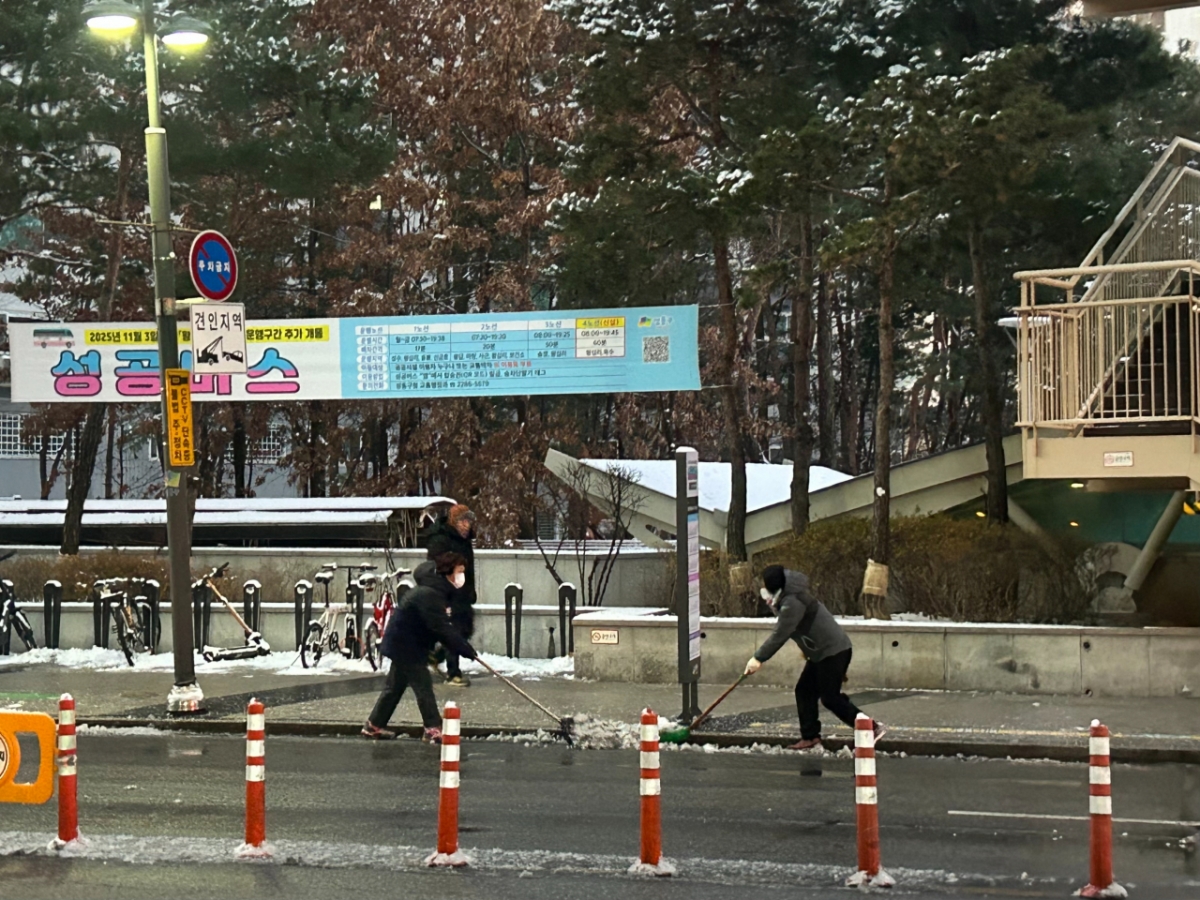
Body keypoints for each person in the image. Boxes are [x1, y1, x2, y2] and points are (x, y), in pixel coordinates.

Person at [744, 565, 885, 751]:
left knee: (830, 698)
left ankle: (871, 728)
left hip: (833, 652)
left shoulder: (792, 603)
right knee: (804, 691)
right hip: (821, 653)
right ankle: (810, 737)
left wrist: (758, 658)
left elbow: (781, 633)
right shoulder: (788, 596)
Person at [362, 552, 477, 743]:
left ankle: (374, 725)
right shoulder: (429, 594)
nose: (462, 576)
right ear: (448, 572)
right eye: (459, 571)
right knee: (423, 686)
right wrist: (464, 648)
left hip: (407, 643)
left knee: (395, 687)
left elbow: (440, 626)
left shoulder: (437, 591)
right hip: (406, 645)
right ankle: (433, 728)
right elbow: (440, 627)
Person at [425, 503, 477, 686]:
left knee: (465, 629)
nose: (466, 525)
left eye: (469, 522)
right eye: (463, 521)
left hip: (462, 592)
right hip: (447, 592)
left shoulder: (464, 541)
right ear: (454, 521)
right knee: (454, 630)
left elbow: (468, 570)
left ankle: (436, 656)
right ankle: (453, 672)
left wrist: (470, 590)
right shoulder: (441, 539)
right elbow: (436, 565)